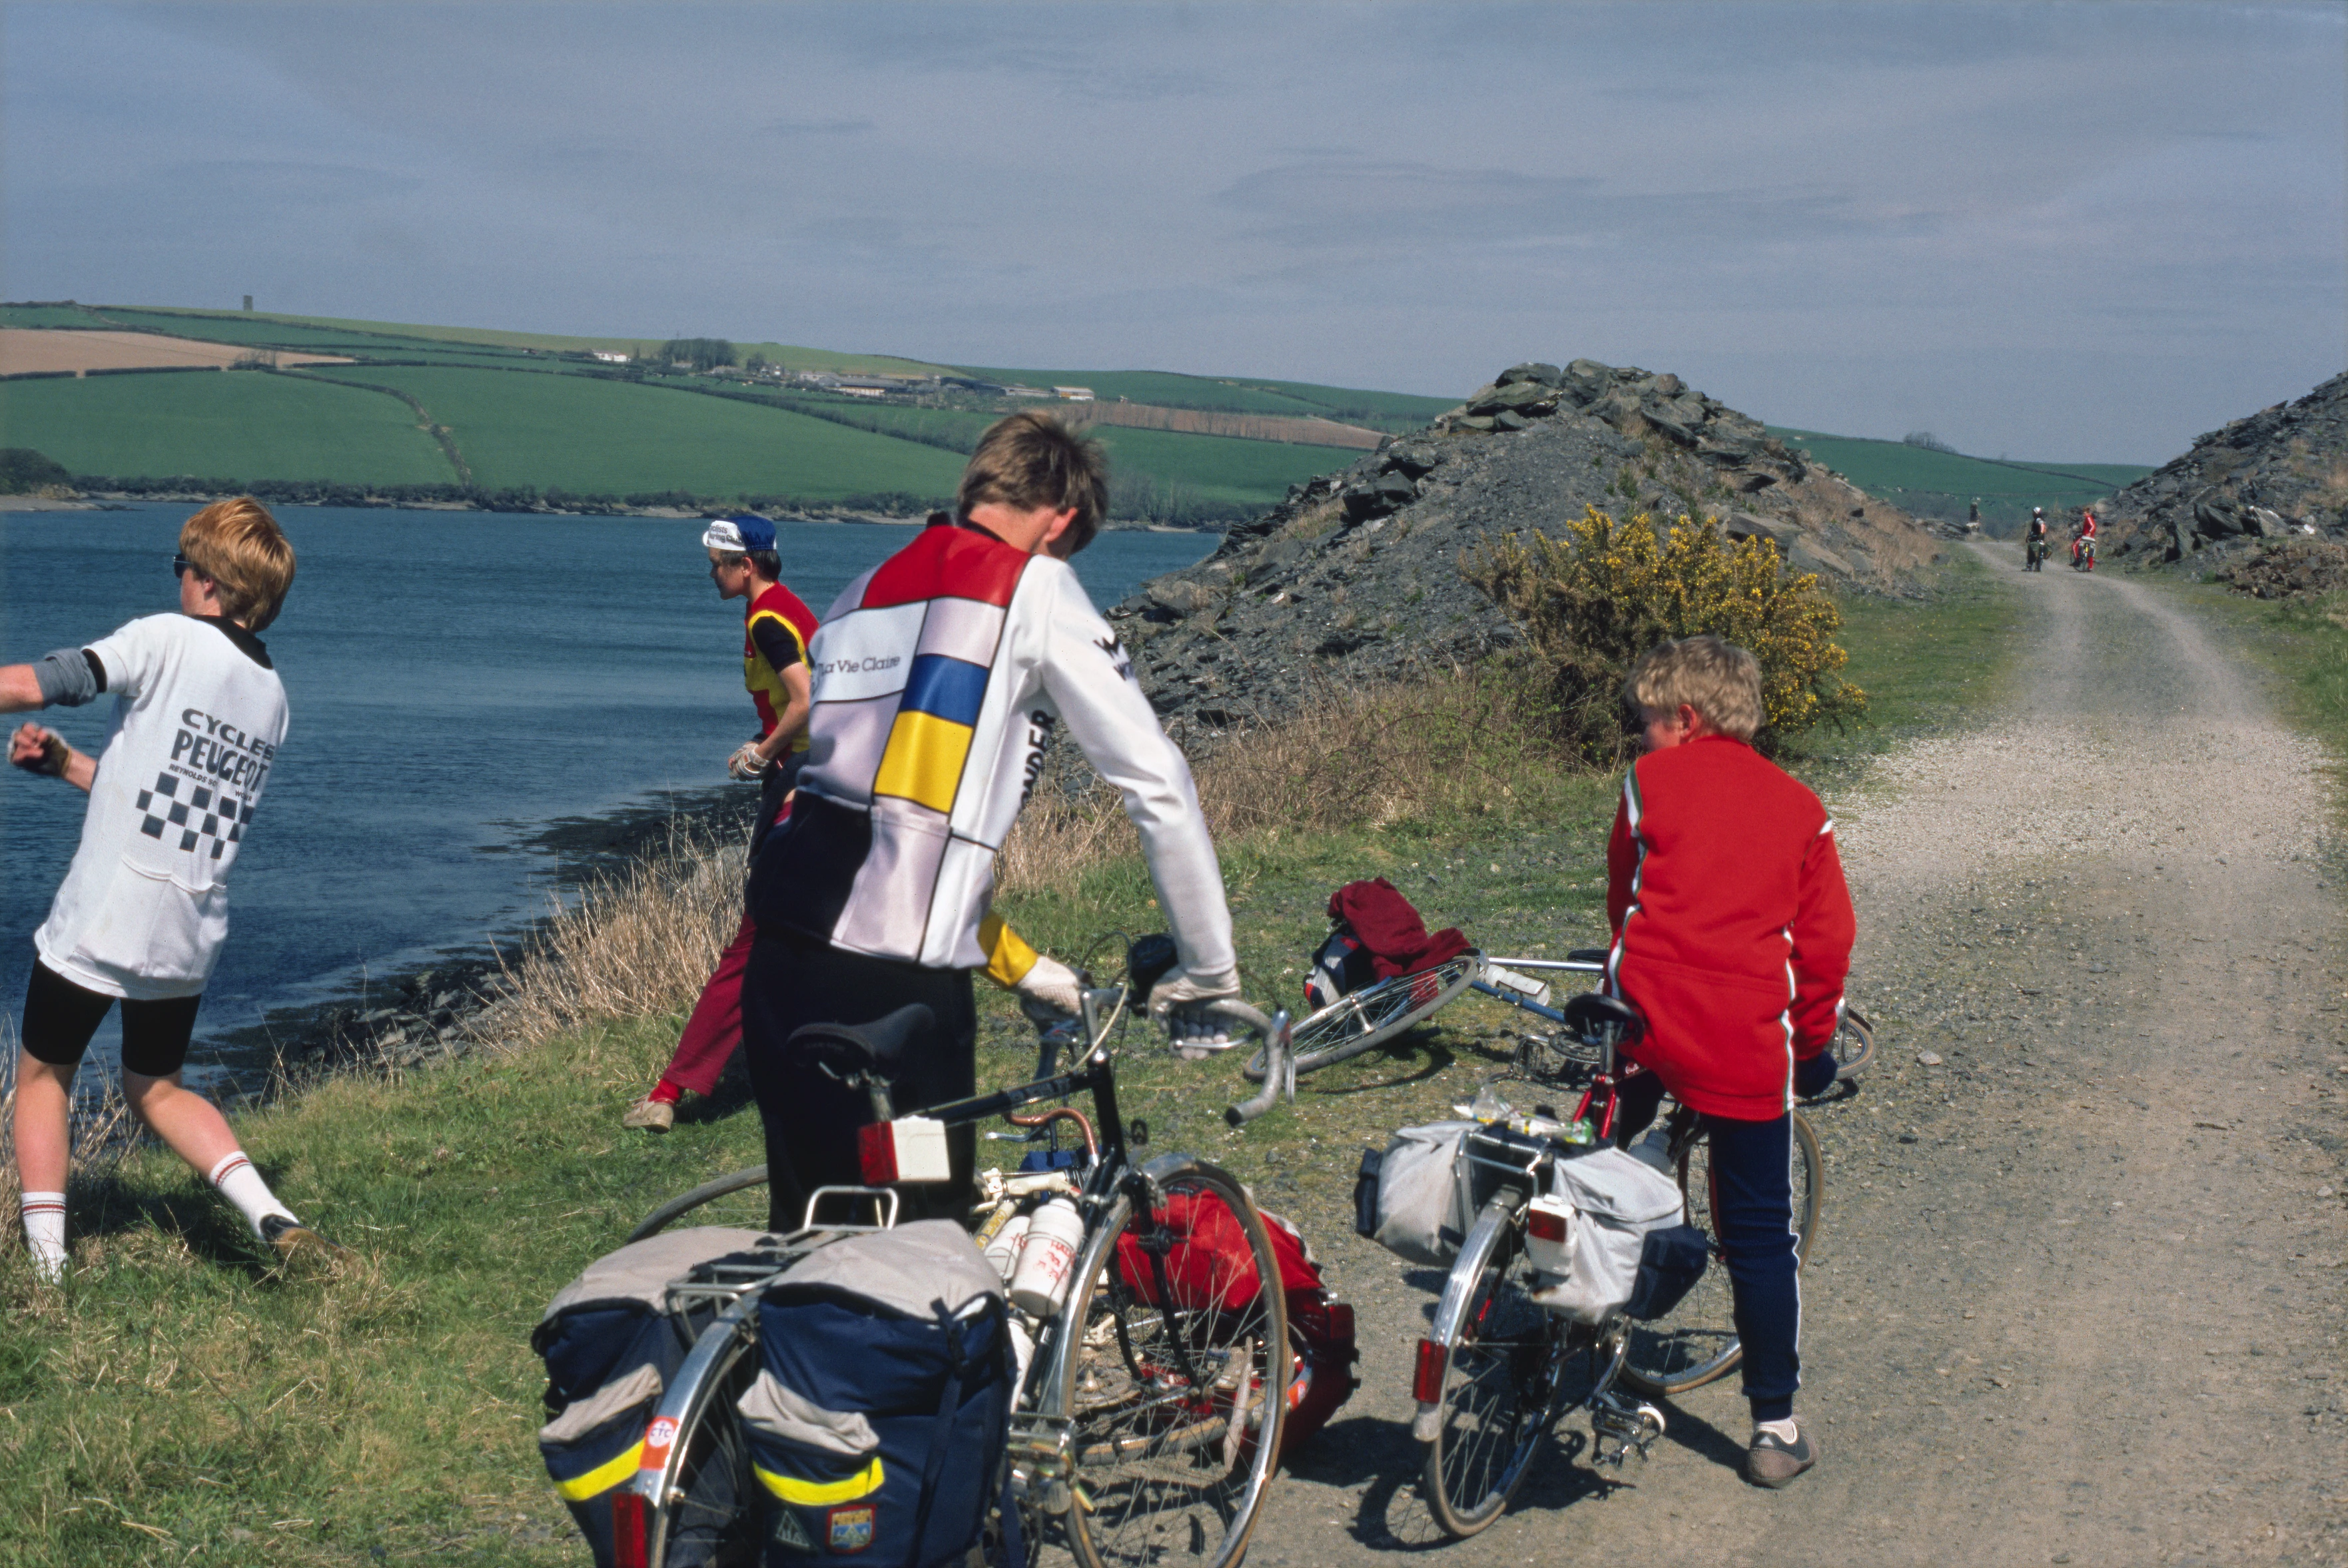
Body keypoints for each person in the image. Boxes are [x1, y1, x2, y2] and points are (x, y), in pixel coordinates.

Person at [741, 412, 1238, 1226]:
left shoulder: (859, 592)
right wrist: (1210, 970)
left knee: (812, 1242)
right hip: (891, 994)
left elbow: (883, 833)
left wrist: (1022, 966)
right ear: (1062, 522)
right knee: (918, 1260)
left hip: (781, 959)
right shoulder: (1032, 585)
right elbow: (1158, 781)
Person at [1, 499, 336, 1278]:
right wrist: (65, 766)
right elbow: (168, 805)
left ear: (212, 582)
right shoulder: (271, 698)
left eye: (182, 565)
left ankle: (48, 1273)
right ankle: (270, 1213)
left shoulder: (165, 637)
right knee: (155, 1085)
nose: (178, 578)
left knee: (44, 1076)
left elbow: (47, 682)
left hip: (105, 915)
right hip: (188, 927)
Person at [1602, 635, 1855, 1489]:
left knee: (1589, 1155)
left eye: (1646, 724)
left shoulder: (1648, 786)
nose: (1640, 740)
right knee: (1756, 1233)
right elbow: (1824, 949)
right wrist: (1812, 1049)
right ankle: (1775, 1428)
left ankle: (1540, 1301)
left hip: (1645, 1020)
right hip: (1746, 1043)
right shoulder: (1801, 808)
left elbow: (1624, 897)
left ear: (1686, 718)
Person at [621, 516, 818, 1130]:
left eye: (718, 563)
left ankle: (670, 1091)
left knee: (754, 937)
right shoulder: (788, 608)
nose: (712, 574)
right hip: (822, 771)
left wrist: (765, 754)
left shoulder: (766, 619)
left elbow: (808, 699)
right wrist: (766, 740)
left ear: (747, 565)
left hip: (808, 782)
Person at [2026, 507, 2050, 572]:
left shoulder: (2038, 520)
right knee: (2038, 553)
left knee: (2032, 552)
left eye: (2034, 513)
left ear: (2036, 513)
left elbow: (2042, 528)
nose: (2033, 514)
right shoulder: (2040, 520)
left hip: (2036, 540)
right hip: (2040, 539)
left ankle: (2030, 567)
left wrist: (2040, 535)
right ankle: (2037, 567)